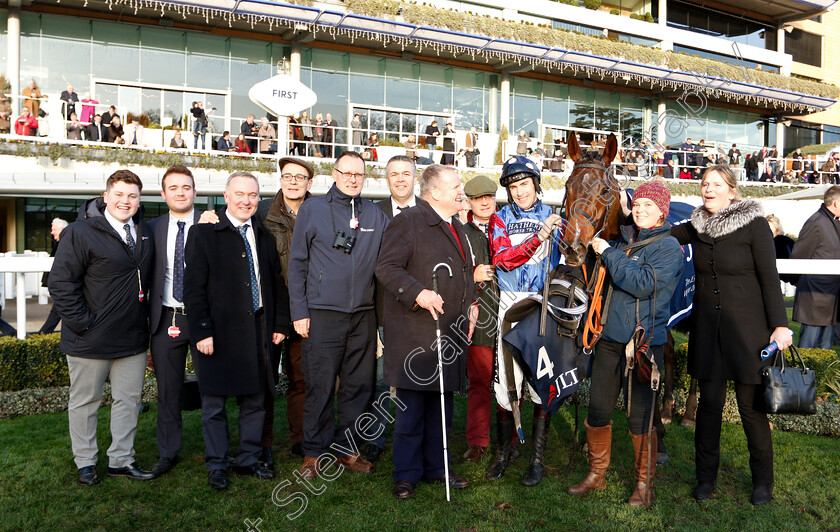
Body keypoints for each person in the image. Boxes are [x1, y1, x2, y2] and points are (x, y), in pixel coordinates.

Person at [669, 165, 793, 506]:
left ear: (732, 191)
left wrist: (780, 325)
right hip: (708, 333)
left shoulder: (754, 225)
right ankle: (705, 479)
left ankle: (762, 483)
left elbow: (770, 278)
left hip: (749, 333)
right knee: (709, 407)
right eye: (704, 183)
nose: (708, 188)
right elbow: (663, 234)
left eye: (716, 184)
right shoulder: (696, 227)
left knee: (752, 409)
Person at [568, 180, 684, 507]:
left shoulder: (668, 248)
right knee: (599, 409)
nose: (641, 210)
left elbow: (643, 283)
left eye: (649, 205)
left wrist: (607, 252)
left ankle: (644, 486)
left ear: (662, 211)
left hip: (643, 346)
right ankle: (597, 474)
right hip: (609, 339)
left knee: (639, 419)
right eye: (637, 205)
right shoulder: (624, 242)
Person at [183, 172, 291, 490]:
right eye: (240, 194)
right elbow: (193, 289)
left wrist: (280, 325)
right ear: (226, 196)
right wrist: (202, 331)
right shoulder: (204, 234)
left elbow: (275, 284)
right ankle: (216, 464)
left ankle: (247, 459)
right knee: (214, 404)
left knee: (255, 400)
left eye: (253, 195)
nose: (246, 201)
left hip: (258, 331)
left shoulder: (264, 235)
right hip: (217, 332)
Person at [48, 170, 155, 486]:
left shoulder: (143, 233)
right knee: (85, 402)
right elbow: (60, 283)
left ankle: (121, 461)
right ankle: (85, 462)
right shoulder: (80, 232)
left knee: (129, 401)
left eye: (132, 196)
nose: (126, 201)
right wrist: (83, 323)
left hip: (132, 339)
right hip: (89, 339)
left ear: (138, 200)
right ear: (106, 196)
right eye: (120, 194)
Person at [375, 164, 477, 499]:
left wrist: (472, 304)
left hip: (447, 333)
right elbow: (386, 268)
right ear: (434, 192)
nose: (461, 190)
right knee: (411, 410)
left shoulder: (458, 226)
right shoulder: (408, 221)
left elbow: (466, 273)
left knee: (441, 408)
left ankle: (437, 468)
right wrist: (418, 293)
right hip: (416, 335)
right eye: (456, 186)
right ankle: (405, 474)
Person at [288, 151, 389, 480]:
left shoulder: (374, 214)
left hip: (362, 315)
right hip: (321, 315)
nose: (352, 179)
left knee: (358, 386)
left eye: (358, 174)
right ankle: (313, 453)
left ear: (364, 177)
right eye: (346, 173)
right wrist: (299, 312)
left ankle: (347, 449)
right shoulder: (313, 209)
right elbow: (298, 263)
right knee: (318, 385)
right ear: (334, 174)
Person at [486, 155, 562, 487]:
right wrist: (537, 237)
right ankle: (504, 453)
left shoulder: (555, 217)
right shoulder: (499, 219)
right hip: (510, 304)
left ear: (536, 184)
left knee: (541, 382)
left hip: (544, 307)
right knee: (506, 381)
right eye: (514, 187)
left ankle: (536, 460)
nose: (519, 192)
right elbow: (502, 261)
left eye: (524, 185)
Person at [146, 166, 211, 477]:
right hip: (165, 319)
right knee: (168, 391)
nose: (181, 192)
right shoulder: (151, 228)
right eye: (173, 188)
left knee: (212, 389)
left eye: (186, 187)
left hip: (203, 321)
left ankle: (216, 454)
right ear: (163, 194)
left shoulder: (212, 223)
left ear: (195, 192)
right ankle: (167, 453)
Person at [363, 155, 419, 464]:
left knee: (417, 379)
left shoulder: (428, 213)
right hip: (384, 312)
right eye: (394, 174)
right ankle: (375, 438)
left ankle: (413, 437)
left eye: (405, 174)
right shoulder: (374, 215)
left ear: (415, 178)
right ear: (387, 180)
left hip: (420, 313)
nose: (400, 179)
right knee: (382, 381)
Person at [258, 157, 314, 462]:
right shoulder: (262, 211)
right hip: (271, 308)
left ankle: (301, 439)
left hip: (306, 308)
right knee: (264, 380)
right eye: (287, 176)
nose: (293, 182)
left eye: (300, 177)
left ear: (309, 183)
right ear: (280, 179)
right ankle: (262, 443)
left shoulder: (320, 211)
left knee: (300, 377)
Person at [461, 175, 499, 463]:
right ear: (470, 202)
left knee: (512, 381)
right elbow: (448, 273)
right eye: (478, 198)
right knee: (480, 381)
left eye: (489, 196)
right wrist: (470, 276)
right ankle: (477, 440)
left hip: (512, 315)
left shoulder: (508, 228)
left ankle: (512, 436)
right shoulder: (460, 233)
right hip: (481, 316)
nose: (485, 202)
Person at [789, 186, 840, 349]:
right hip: (814, 294)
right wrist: (795, 280)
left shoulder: (832, 222)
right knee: (808, 346)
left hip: (830, 295)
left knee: (825, 348)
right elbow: (799, 255)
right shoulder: (816, 222)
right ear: (836, 203)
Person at [38, 218, 69, 334]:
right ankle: (44, 332)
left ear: (62, 229)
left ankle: (43, 333)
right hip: (61, 285)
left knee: (57, 310)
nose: (52, 232)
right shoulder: (62, 243)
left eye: (54, 229)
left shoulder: (66, 244)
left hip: (64, 285)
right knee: (59, 310)